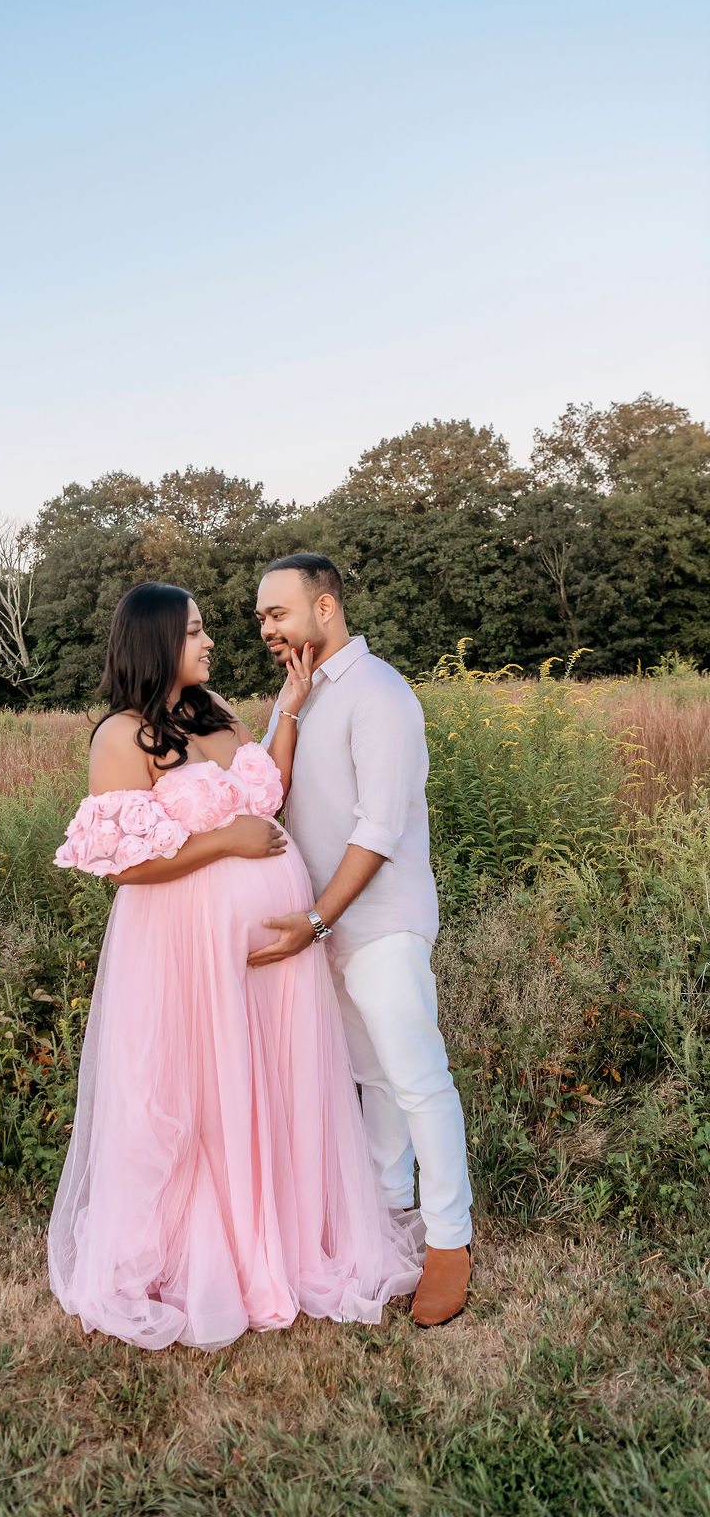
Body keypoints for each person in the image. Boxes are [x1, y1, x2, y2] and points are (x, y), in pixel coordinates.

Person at [48, 582, 422, 1350]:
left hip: (271, 949)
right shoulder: (120, 736)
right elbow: (124, 866)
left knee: (273, 1082)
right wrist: (224, 844)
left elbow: (266, 792)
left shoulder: (214, 711)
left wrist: (290, 704)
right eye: (194, 632)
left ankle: (281, 1236)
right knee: (198, 1091)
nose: (209, 641)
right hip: (187, 948)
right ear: (155, 643)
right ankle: (207, 1250)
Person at [250, 554, 473, 1328]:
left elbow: (378, 830)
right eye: (260, 618)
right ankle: (387, 1215)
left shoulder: (380, 693)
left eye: (277, 613)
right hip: (328, 925)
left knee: (416, 1079)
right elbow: (271, 798)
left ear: (325, 608)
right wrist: (288, 704)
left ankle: (451, 1240)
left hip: (377, 920)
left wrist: (316, 919)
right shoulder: (303, 697)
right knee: (371, 1080)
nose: (267, 629)